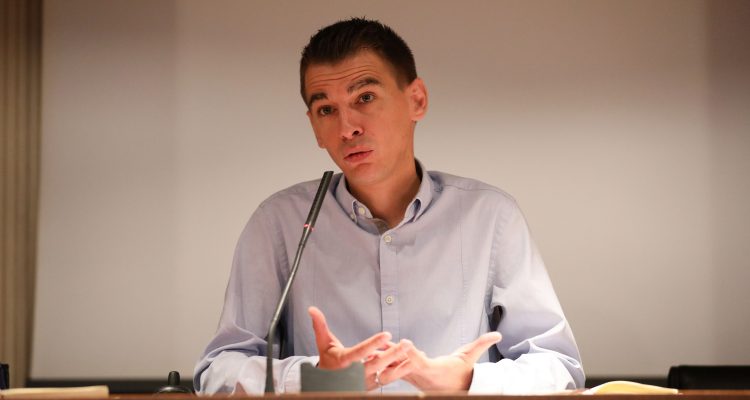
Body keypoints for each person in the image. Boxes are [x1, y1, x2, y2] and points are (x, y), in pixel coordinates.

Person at [194, 18, 584, 394]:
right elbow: (218, 371)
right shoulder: (279, 223)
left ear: (417, 100)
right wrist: (313, 378)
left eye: (364, 98)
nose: (347, 128)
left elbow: (558, 368)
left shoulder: (491, 217)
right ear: (314, 126)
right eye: (326, 109)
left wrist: (466, 382)